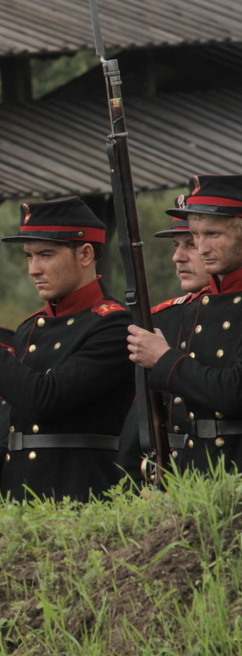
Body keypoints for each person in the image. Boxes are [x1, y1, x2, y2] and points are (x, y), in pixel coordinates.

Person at [0, 196, 133, 502]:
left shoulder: (113, 325)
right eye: (29, 256)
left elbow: (45, 399)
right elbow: (29, 425)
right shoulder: (31, 327)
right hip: (23, 495)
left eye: (45, 255)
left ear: (85, 253)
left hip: (80, 492)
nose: (34, 268)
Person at [127, 176, 242, 473]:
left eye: (212, 234)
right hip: (192, 475)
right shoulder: (194, 309)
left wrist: (165, 359)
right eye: (196, 236)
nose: (202, 248)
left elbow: (233, 392)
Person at [117, 197, 210, 476]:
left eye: (190, 244)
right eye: (176, 245)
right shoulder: (162, 319)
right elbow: (140, 420)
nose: (177, 257)